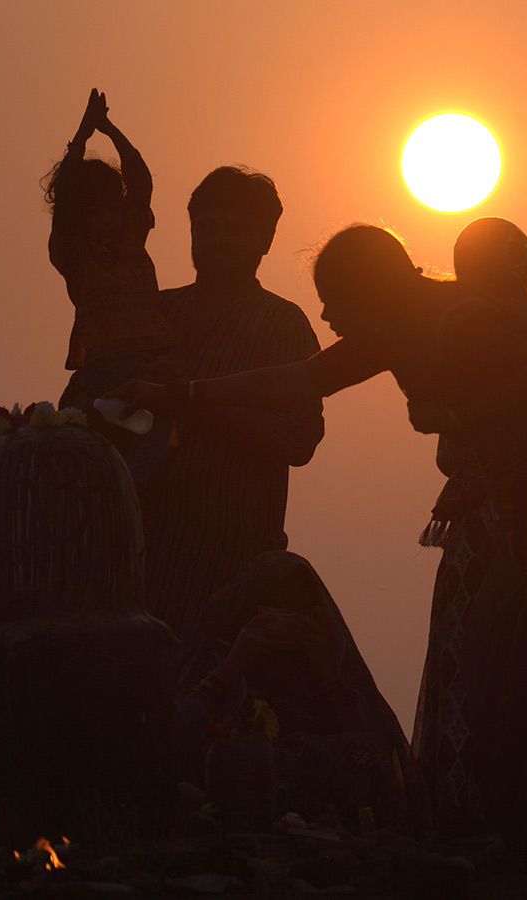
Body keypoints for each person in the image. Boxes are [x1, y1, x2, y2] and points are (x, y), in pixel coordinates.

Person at [107, 221, 527, 867]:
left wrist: (452, 416)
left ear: (372, 289)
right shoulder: (398, 327)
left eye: (336, 299)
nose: (329, 315)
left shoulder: (456, 320)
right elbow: (303, 379)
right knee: (511, 660)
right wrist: (181, 396)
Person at [138, 166, 325, 640]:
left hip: (232, 558)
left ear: (265, 240)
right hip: (141, 552)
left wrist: (190, 400)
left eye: (236, 228)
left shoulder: (283, 325)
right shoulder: (154, 314)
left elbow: (297, 438)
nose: (219, 239)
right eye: (208, 227)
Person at [176, 551, 425, 832]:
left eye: (297, 608)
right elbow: (175, 737)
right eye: (275, 607)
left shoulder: (322, 672)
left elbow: (372, 756)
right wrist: (233, 665)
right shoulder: (218, 657)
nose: (286, 619)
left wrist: (328, 673)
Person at [45, 88, 177, 485]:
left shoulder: (130, 239)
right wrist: (82, 137)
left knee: (171, 419)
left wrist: (109, 129)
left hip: (148, 356)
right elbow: (66, 196)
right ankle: (122, 486)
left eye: (112, 208)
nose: (106, 219)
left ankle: (136, 481)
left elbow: (140, 179)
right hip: (107, 363)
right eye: (94, 211)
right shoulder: (75, 254)